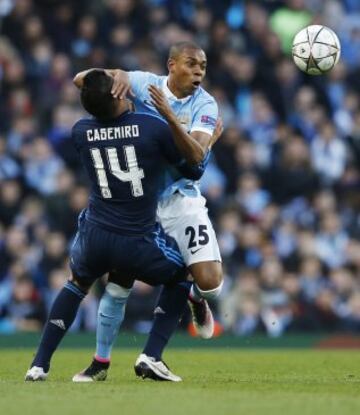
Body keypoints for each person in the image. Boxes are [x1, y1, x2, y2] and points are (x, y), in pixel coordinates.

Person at [25, 68, 208, 381]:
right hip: (136, 238)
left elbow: (84, 82)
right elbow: (194, 170)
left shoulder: (80, 131)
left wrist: (115, 78)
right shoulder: (151, 127)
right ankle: (152, 355)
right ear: (118, 94)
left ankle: (39, 365)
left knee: (76, 285)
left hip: (95, 235)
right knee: (185, 274)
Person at [72, 42, 224, 382]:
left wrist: (170, 119)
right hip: (140, 202)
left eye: (203, 65)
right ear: (171, 65)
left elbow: (195, 157)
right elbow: (81, 80)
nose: (199, 71)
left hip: (182, 199)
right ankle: (101, 362)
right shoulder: (142, 82)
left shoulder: (206, 104)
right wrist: (118, 75)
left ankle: (197, 300)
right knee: (119, 282)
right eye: (191, 63)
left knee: (210, 284)